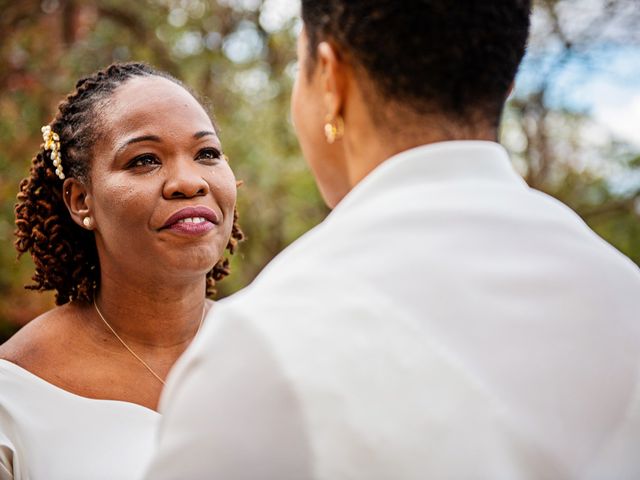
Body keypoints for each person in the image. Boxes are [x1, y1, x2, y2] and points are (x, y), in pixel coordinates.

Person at [145, 1, 640, 479]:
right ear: (506, 83)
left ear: (330, 77)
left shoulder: (257, 346)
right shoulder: (625, 295)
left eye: (299, 67)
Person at [0, 62, 243, 480]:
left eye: (207, 154)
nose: (189, 182)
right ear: (81, 201)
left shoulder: (280, 348)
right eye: (144, 160)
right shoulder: (14, 394)